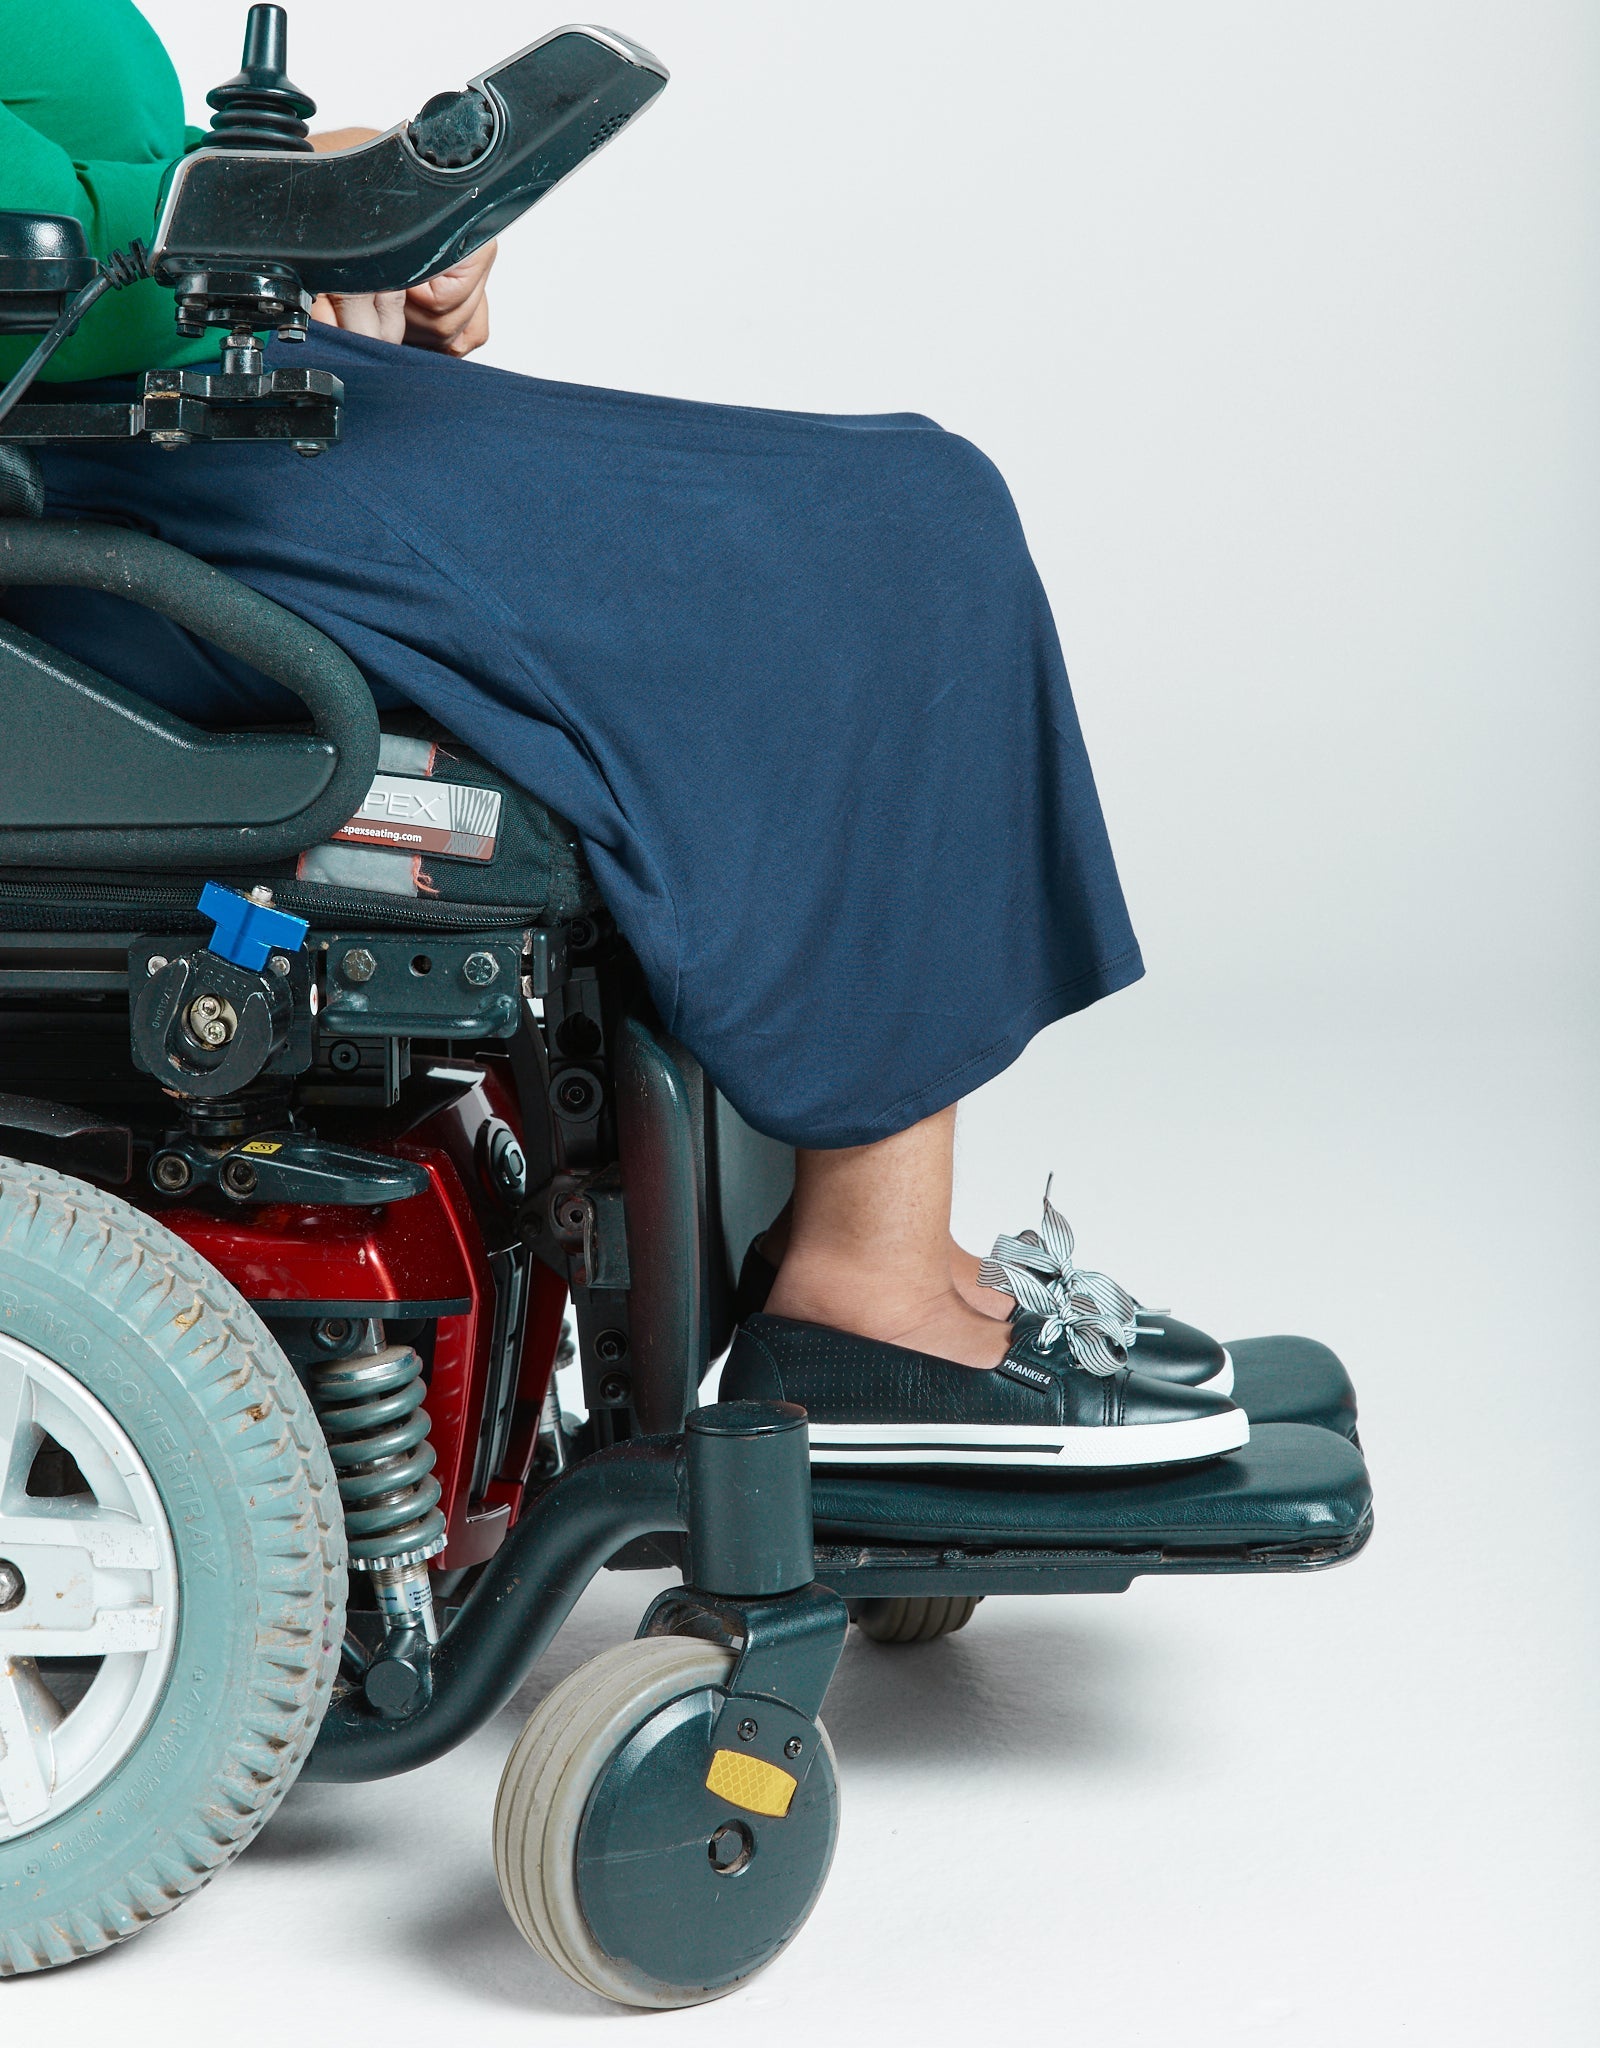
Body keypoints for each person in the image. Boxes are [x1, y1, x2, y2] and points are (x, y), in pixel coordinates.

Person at [0, 2, 1249, 1471]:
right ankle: (870, 1287)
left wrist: (320, 198)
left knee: (898, 510)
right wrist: (272, 217)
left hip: (169, 414)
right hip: (103, 490)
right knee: (899, 539)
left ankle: (862, 1250)